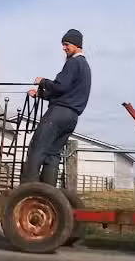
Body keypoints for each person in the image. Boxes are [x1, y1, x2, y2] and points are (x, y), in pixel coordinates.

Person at [20, 29, 91, 186]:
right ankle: (48, 194)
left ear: (76, 45)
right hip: (72, 118)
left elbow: (60, 86)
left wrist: (42, 81)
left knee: (36, 149)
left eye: (66, 44)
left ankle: (27, 192)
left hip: (58, 114)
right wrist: (40, 94)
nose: (64, 48)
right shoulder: (85, 67)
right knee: (52, 155)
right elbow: (66, 93)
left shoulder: (73, 62)